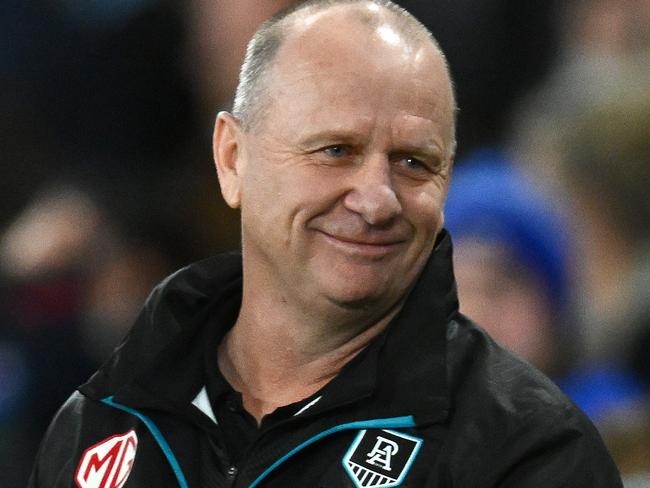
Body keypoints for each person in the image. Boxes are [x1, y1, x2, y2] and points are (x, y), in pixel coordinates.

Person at [29, 1, 622, 486]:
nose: (377, 198)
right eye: (335, 150)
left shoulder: (528, 452)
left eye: (414, 162)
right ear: (233, 158)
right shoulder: (101, 421)